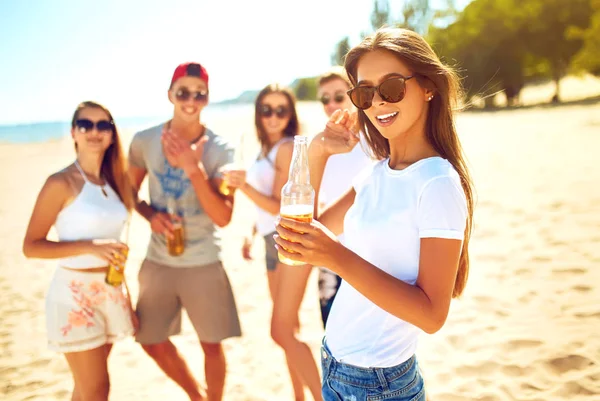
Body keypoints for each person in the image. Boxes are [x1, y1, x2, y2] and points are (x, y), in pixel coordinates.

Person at [274, 28, 475, 400]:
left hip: (377, 385)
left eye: (392, 87)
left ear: (428, 86)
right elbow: (310, 228)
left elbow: (432, 316)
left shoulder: (436, 183)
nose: (379, 103)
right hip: (337, 364)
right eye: (365, 92)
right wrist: (318, 152)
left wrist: (335, 256)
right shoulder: (376, 172)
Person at [128, 62, 242, 401]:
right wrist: (151, 216)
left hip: (204, 261)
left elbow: (223, 217)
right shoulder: (144, 141)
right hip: (159, 259)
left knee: (211, 345)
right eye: (183, 92)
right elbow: (130, 193)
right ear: (169, 95)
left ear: (207, 99)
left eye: (199, 94)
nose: (190, 100)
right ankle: (197, 396)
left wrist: (193, 168)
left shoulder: (221, 150)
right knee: (149, 338)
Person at [22, 101, 137, 401]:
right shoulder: (60, 183)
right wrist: (89, 246)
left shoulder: (114, 182)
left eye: (103, 125)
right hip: (74, 295)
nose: (94, 132)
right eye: (86, 125)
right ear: (74, 132)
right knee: (98, 388)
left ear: (112, 134)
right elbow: (31, 246)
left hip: (110, 291)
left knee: (87, 389)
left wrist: (127, 298)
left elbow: (116, 246)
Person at [224, 84, 323, 401]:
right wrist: (251, 232)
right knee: (287, 328)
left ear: (290, 114)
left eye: (281, 110)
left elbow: (282, 204)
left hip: (287, 240)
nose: (273, 116)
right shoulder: (264, 149)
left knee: (283, 330)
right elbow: (264, 203)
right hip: (270, 239)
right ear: (258, 113)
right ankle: (299, 395)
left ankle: (320, 395)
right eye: (267, 109)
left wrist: (242, 187)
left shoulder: (286, 148)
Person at [315, 67, 372, 328]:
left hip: (366, 255)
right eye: (325, 99)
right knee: (331, 330)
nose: (331, 105)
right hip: (330, 252)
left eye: (338, 97)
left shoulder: (376, 141)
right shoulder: (324, 144)